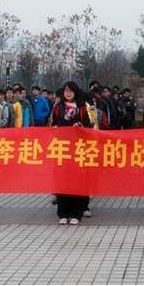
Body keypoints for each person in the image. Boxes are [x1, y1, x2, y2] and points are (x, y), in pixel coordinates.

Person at [51, 81, 93, 225]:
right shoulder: (57, 108)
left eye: (71, 91)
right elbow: (53, 125)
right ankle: (63, 213)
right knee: (62, 180)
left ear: (75, 93)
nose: (68, 93)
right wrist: (54, 128)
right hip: (62, 149)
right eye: (66, 91)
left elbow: (88, 127)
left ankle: (76, 213)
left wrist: (80, 126)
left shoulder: (82, 108)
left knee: (78, 181)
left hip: (78, 149)